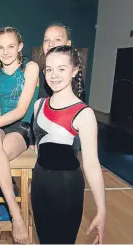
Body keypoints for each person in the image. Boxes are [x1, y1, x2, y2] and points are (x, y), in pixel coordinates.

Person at [31, 45, 105, 244]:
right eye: (49, 69)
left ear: (74, 71)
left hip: (67, 190)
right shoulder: (39, 106)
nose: (54, 75)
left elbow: (91, 163)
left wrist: (101, 210)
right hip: (39, 186)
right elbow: (39, 150)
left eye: (61, 69)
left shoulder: (84, 114)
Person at [0, 26, 39, 244]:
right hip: (1, 126)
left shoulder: (30, 68)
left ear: (20, 46)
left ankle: (11, 215)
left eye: (11, 46)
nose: (6, 51)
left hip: (22, 128)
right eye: (0, 47)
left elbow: (21, 111)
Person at [38, 23, 73, 99]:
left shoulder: (72, 76)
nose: (51, 44)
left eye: (57, 39)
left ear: (68, 44)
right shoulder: (36, 73)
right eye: (46, 40)